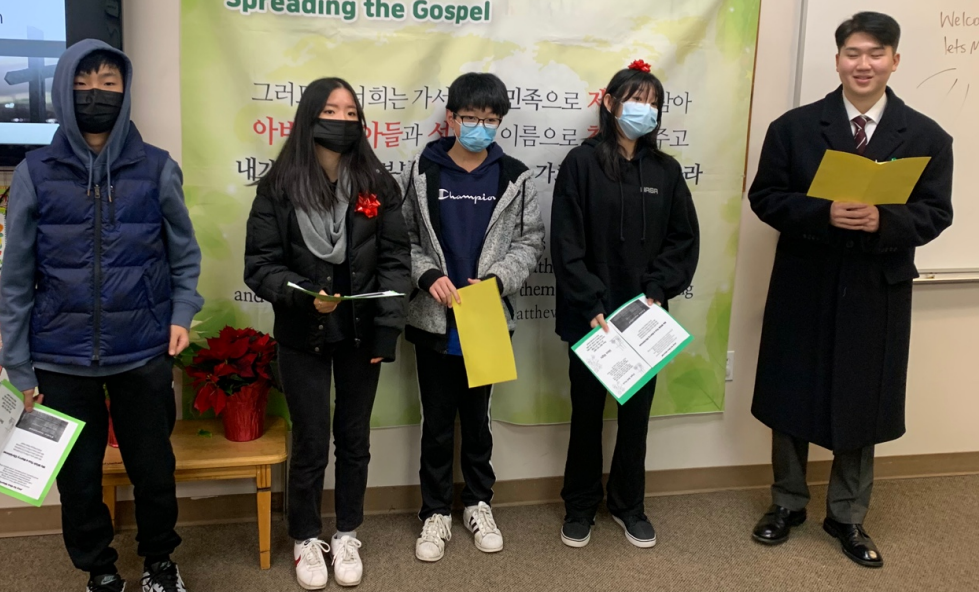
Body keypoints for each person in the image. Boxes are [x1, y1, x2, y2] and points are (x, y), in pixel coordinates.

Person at [748, 12, 953, 568]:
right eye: (853, 53)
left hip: (876, 289)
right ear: (837, 59)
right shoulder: (793, 128)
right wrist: (823, 213)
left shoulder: (927, 136)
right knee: (791, 393)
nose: (864, 64)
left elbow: (937, 213)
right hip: (806, 281)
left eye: (876, 54)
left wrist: (884, 221)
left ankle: (847, 515)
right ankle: (786, 503)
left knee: (864, 402)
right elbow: (765, 197)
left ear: (895, 60)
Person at [0, 40, 203, 592]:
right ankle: (101, 571)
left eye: (109, 83)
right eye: (83, 84)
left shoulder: (157, 167)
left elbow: (184, 254)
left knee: (153, 469)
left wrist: (182, 311)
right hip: (58, 356)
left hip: (142, 349)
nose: (96, 94)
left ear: (125, 91)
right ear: (63, 91)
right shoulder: (35, 172)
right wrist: (18, 364)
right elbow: (15, 277)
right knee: (79, 479)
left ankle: (160, 562)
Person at [244, 77, 410, 589]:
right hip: (303, 334)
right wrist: (300, 295)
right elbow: (260, 265)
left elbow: (395, 262)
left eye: (351, 112)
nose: (342, 120)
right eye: (331, 111)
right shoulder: (279, 187)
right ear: (310, 117)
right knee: (312, 441)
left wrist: (387, 332)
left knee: (354, 439)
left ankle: (347, 532)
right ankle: (305, 537)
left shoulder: (377, 184)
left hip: (361, 334)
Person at [551, 60, 700, 550]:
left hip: (645, 317)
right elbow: (566, 242)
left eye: (653, 103)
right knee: (586, 415)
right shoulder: (580, 164)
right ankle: (579, 505)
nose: (645, 110)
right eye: (636, 99)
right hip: (590, 316)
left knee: (636, 419)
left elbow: (683, 239)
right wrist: (590, 299)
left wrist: (657, 290)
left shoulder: (665, 170)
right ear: (611, 103)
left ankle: (628, 505)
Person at [400, 72, 545, 563]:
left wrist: (498, 280)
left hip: (486, 317)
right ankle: (435, 511)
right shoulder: (422, 171)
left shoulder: (514, 175)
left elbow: (530, 240)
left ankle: (479, 503)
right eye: (470, 118)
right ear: (451, 117)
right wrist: (427, 276)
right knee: (437, 422)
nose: (480, 127)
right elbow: (403, 238)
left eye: (490, 120)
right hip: (433, 317)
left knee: (478, 422)